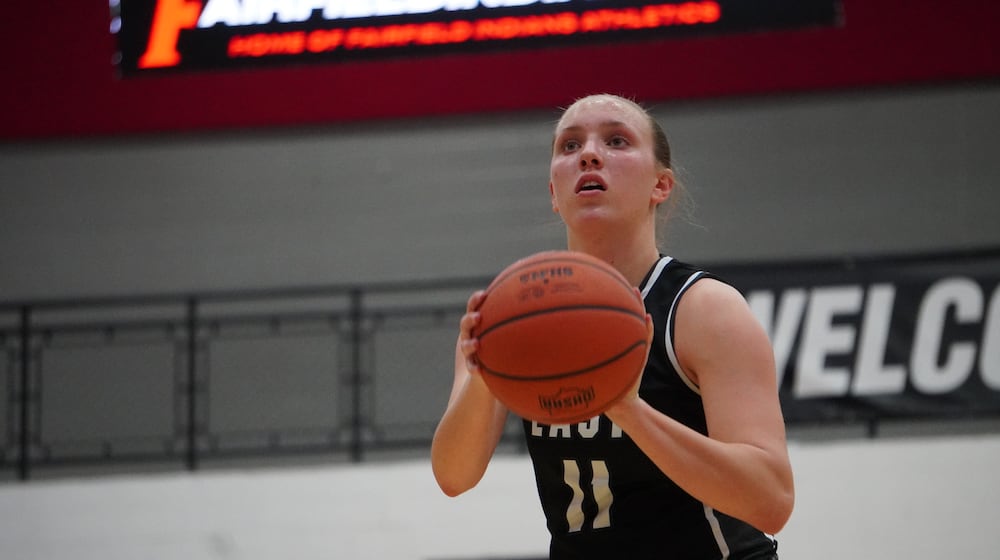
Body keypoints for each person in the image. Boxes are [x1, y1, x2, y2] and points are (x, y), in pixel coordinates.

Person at [431, 93, 794, 559]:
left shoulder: (704, 309)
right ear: (553, 194)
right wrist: (484, 372)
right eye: (569, 146)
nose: (588, 154)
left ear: (660, 185)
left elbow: (771, 500)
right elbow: (453, 477)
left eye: (617, 140)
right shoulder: (507, 316)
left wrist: (628, 409)